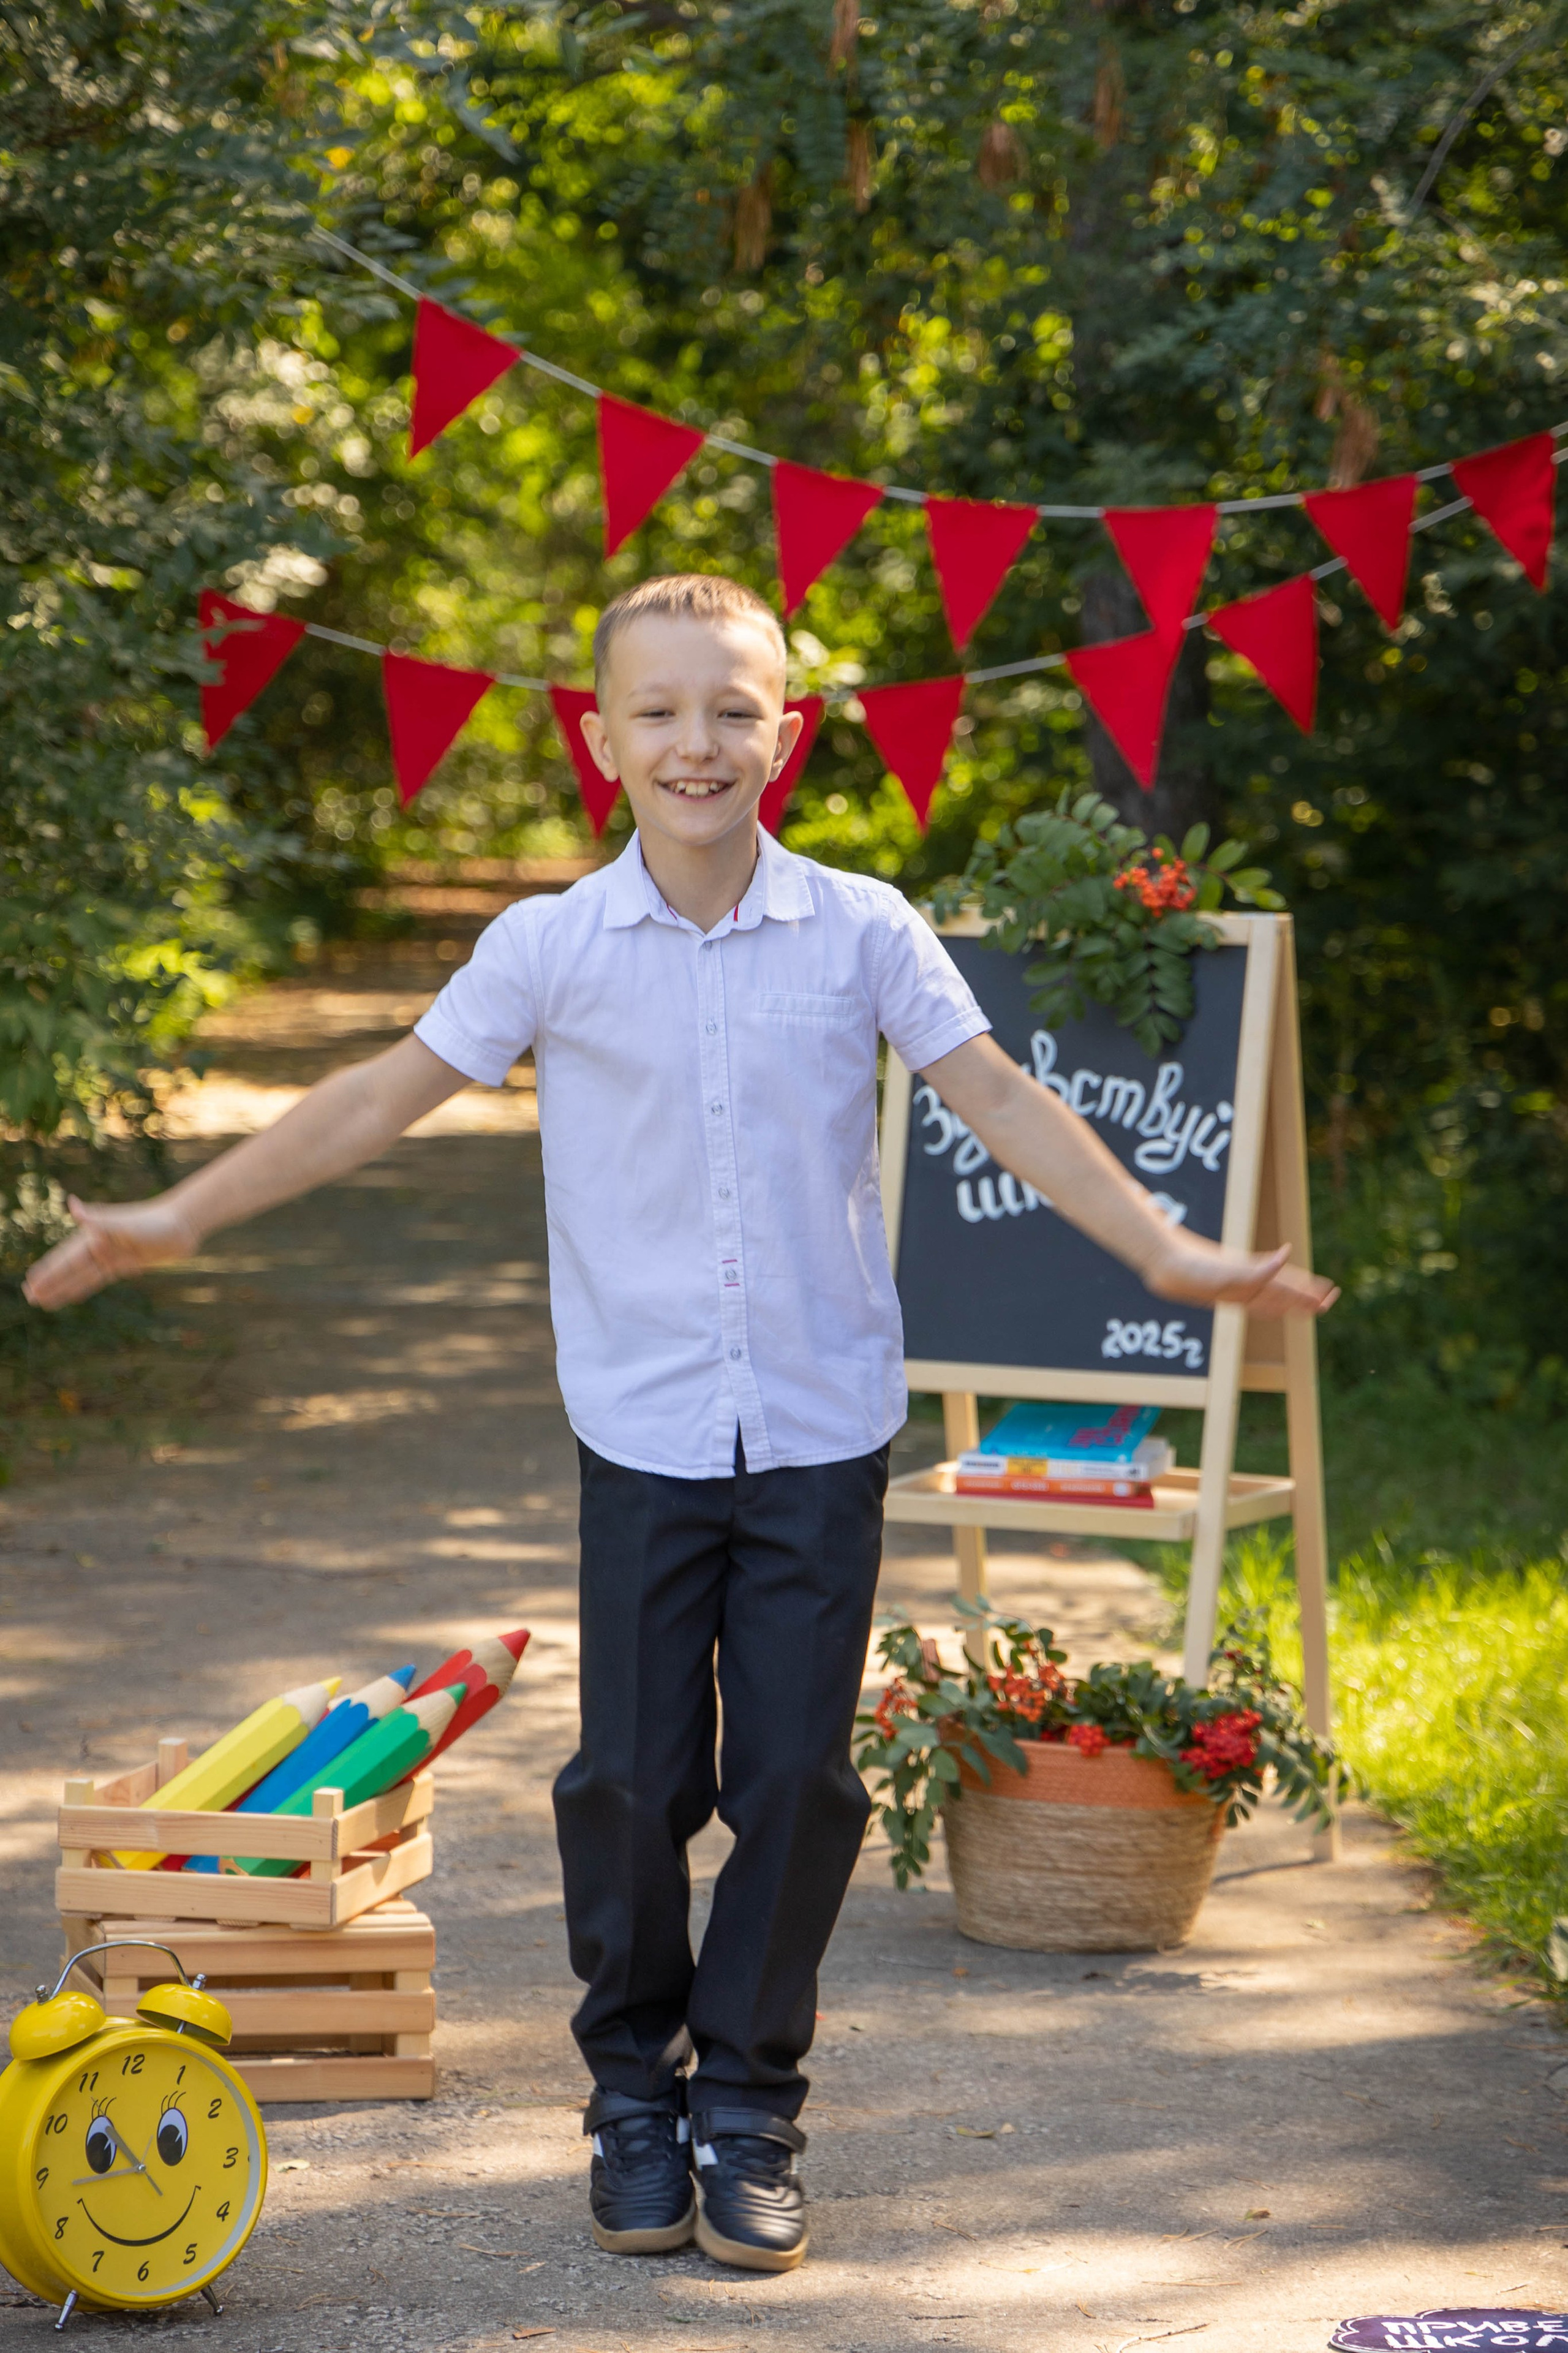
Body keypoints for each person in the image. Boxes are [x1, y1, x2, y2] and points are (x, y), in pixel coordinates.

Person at [24, 572, 1336, 2276]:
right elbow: (378, 1093)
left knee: (795, 1776)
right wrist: (182, 1216)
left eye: (733, 707)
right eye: (661, 711)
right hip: (643, 1435)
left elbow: (1001, 1097)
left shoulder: (865, 927)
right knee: (634, 1780)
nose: (698, 741)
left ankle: (750, 2106)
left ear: (785, 731)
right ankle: (633, 2096)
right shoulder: (551, 945)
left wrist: (1172, 1249)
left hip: (819, 1426)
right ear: (602, 738)